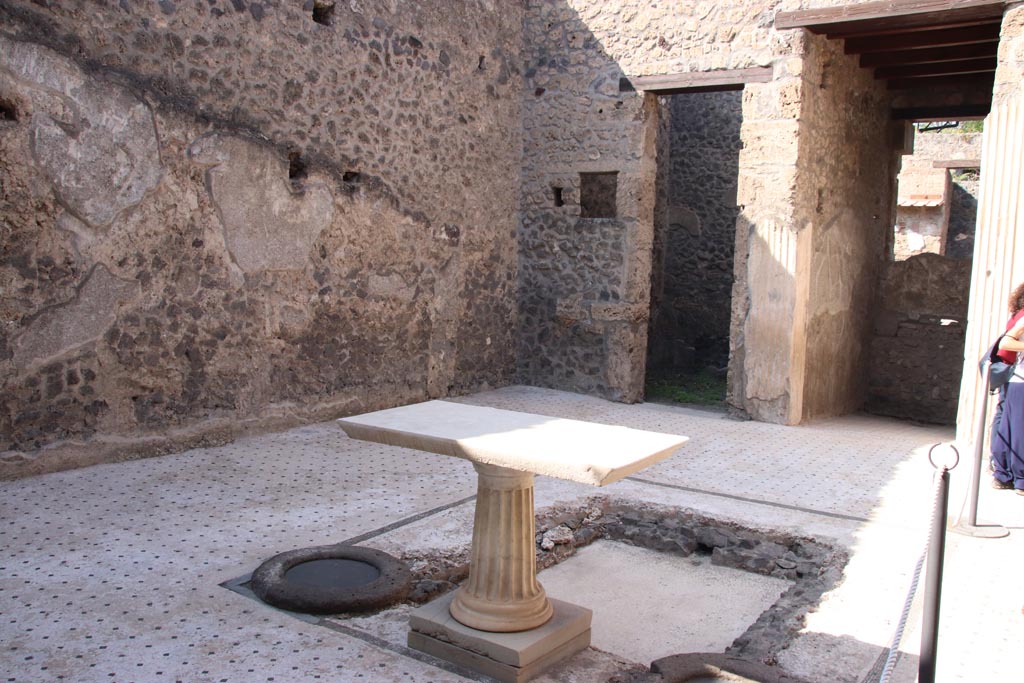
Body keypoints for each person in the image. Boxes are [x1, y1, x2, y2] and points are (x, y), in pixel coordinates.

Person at [992, 283, 1024, 494]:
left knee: (1007, 426)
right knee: (1017, 431)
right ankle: (1017, 478)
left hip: (1016, 381)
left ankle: (1004, 475)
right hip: (1020, 379)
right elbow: (1005, 343)